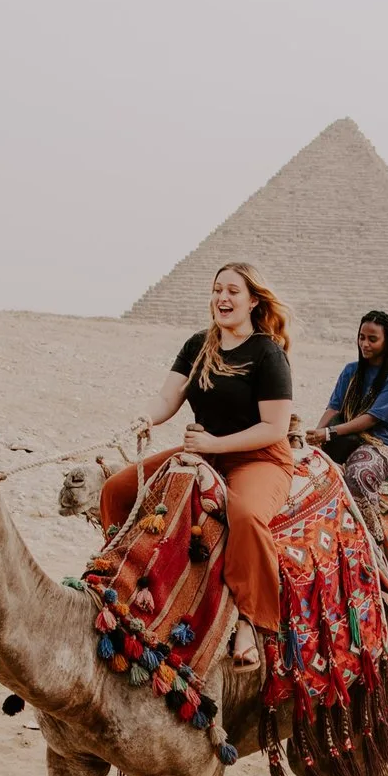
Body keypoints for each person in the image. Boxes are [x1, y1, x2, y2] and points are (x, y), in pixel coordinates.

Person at [102, 262, 297, 666]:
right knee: (117, 491)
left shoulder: (267, 353)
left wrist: (216, 442)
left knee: (244, 515)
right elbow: (168, 397)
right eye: (216, 290)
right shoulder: (198, 345)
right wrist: (147, 418)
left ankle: (250, 621)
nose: (222, 299)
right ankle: (117, 576)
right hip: (204, 452)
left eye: (232, 292)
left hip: (258, 457)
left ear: (253, 301)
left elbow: (275, 427)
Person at [305, 310, 388, 513]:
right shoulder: (351, 370)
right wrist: (316, 437)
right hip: (344, 439)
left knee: (358, 474)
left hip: (382, 445)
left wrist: (329, 433)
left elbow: (371, 418)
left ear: (387, 342)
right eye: (361, 337)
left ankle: (372, 538)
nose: (365, 344)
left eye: (373, 339)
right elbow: (334, 407)